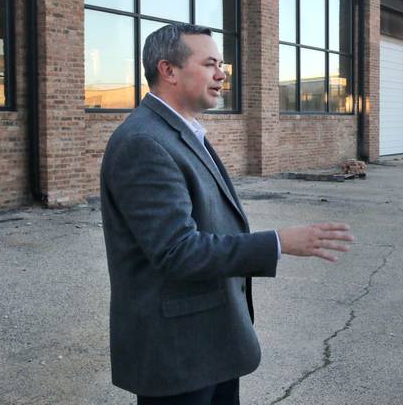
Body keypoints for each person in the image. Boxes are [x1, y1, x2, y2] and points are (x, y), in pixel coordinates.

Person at [100, 23, 354, 404]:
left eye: (221, 65)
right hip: (179, 354)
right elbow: (177, 251)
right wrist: (278, 243)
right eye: (209, 64)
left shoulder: (180, 131)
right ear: (168, 70)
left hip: (208, 343)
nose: (222, 74)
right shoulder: (144, 142)